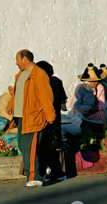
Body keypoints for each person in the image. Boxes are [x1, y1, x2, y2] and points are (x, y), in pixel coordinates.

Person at [7, 50, 56, 187]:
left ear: (25, 59)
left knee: (31, 148)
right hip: (22, 117)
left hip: (34, 117)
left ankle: (35, 177)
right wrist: (11, 105)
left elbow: (46, 97)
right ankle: (42, 168)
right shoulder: (20, 75)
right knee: (23, 145)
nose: (16, 63)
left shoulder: (39, 75)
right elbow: (17, 94)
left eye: (17, 60)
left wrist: (50, 115)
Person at [36, 61, 67, 181]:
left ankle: (44, 171)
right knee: (55, 145)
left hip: (45, 118)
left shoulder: (44, 83)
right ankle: (58, 172)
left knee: (44, 145)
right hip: (56, 119)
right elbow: (62, 103)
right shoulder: (57, 81)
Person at [71, 63, 107, 133]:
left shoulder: (99, 88)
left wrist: (96, 109)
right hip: (81, 112)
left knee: (102, 115)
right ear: (88, 81)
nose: (96, 83)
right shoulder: (80, 89)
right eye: (93, 81)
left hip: (93, 112)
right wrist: (87, 108)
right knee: (78, 117)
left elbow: (101, 103)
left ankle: (100, 133)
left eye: (97, 81)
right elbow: (76, 105)